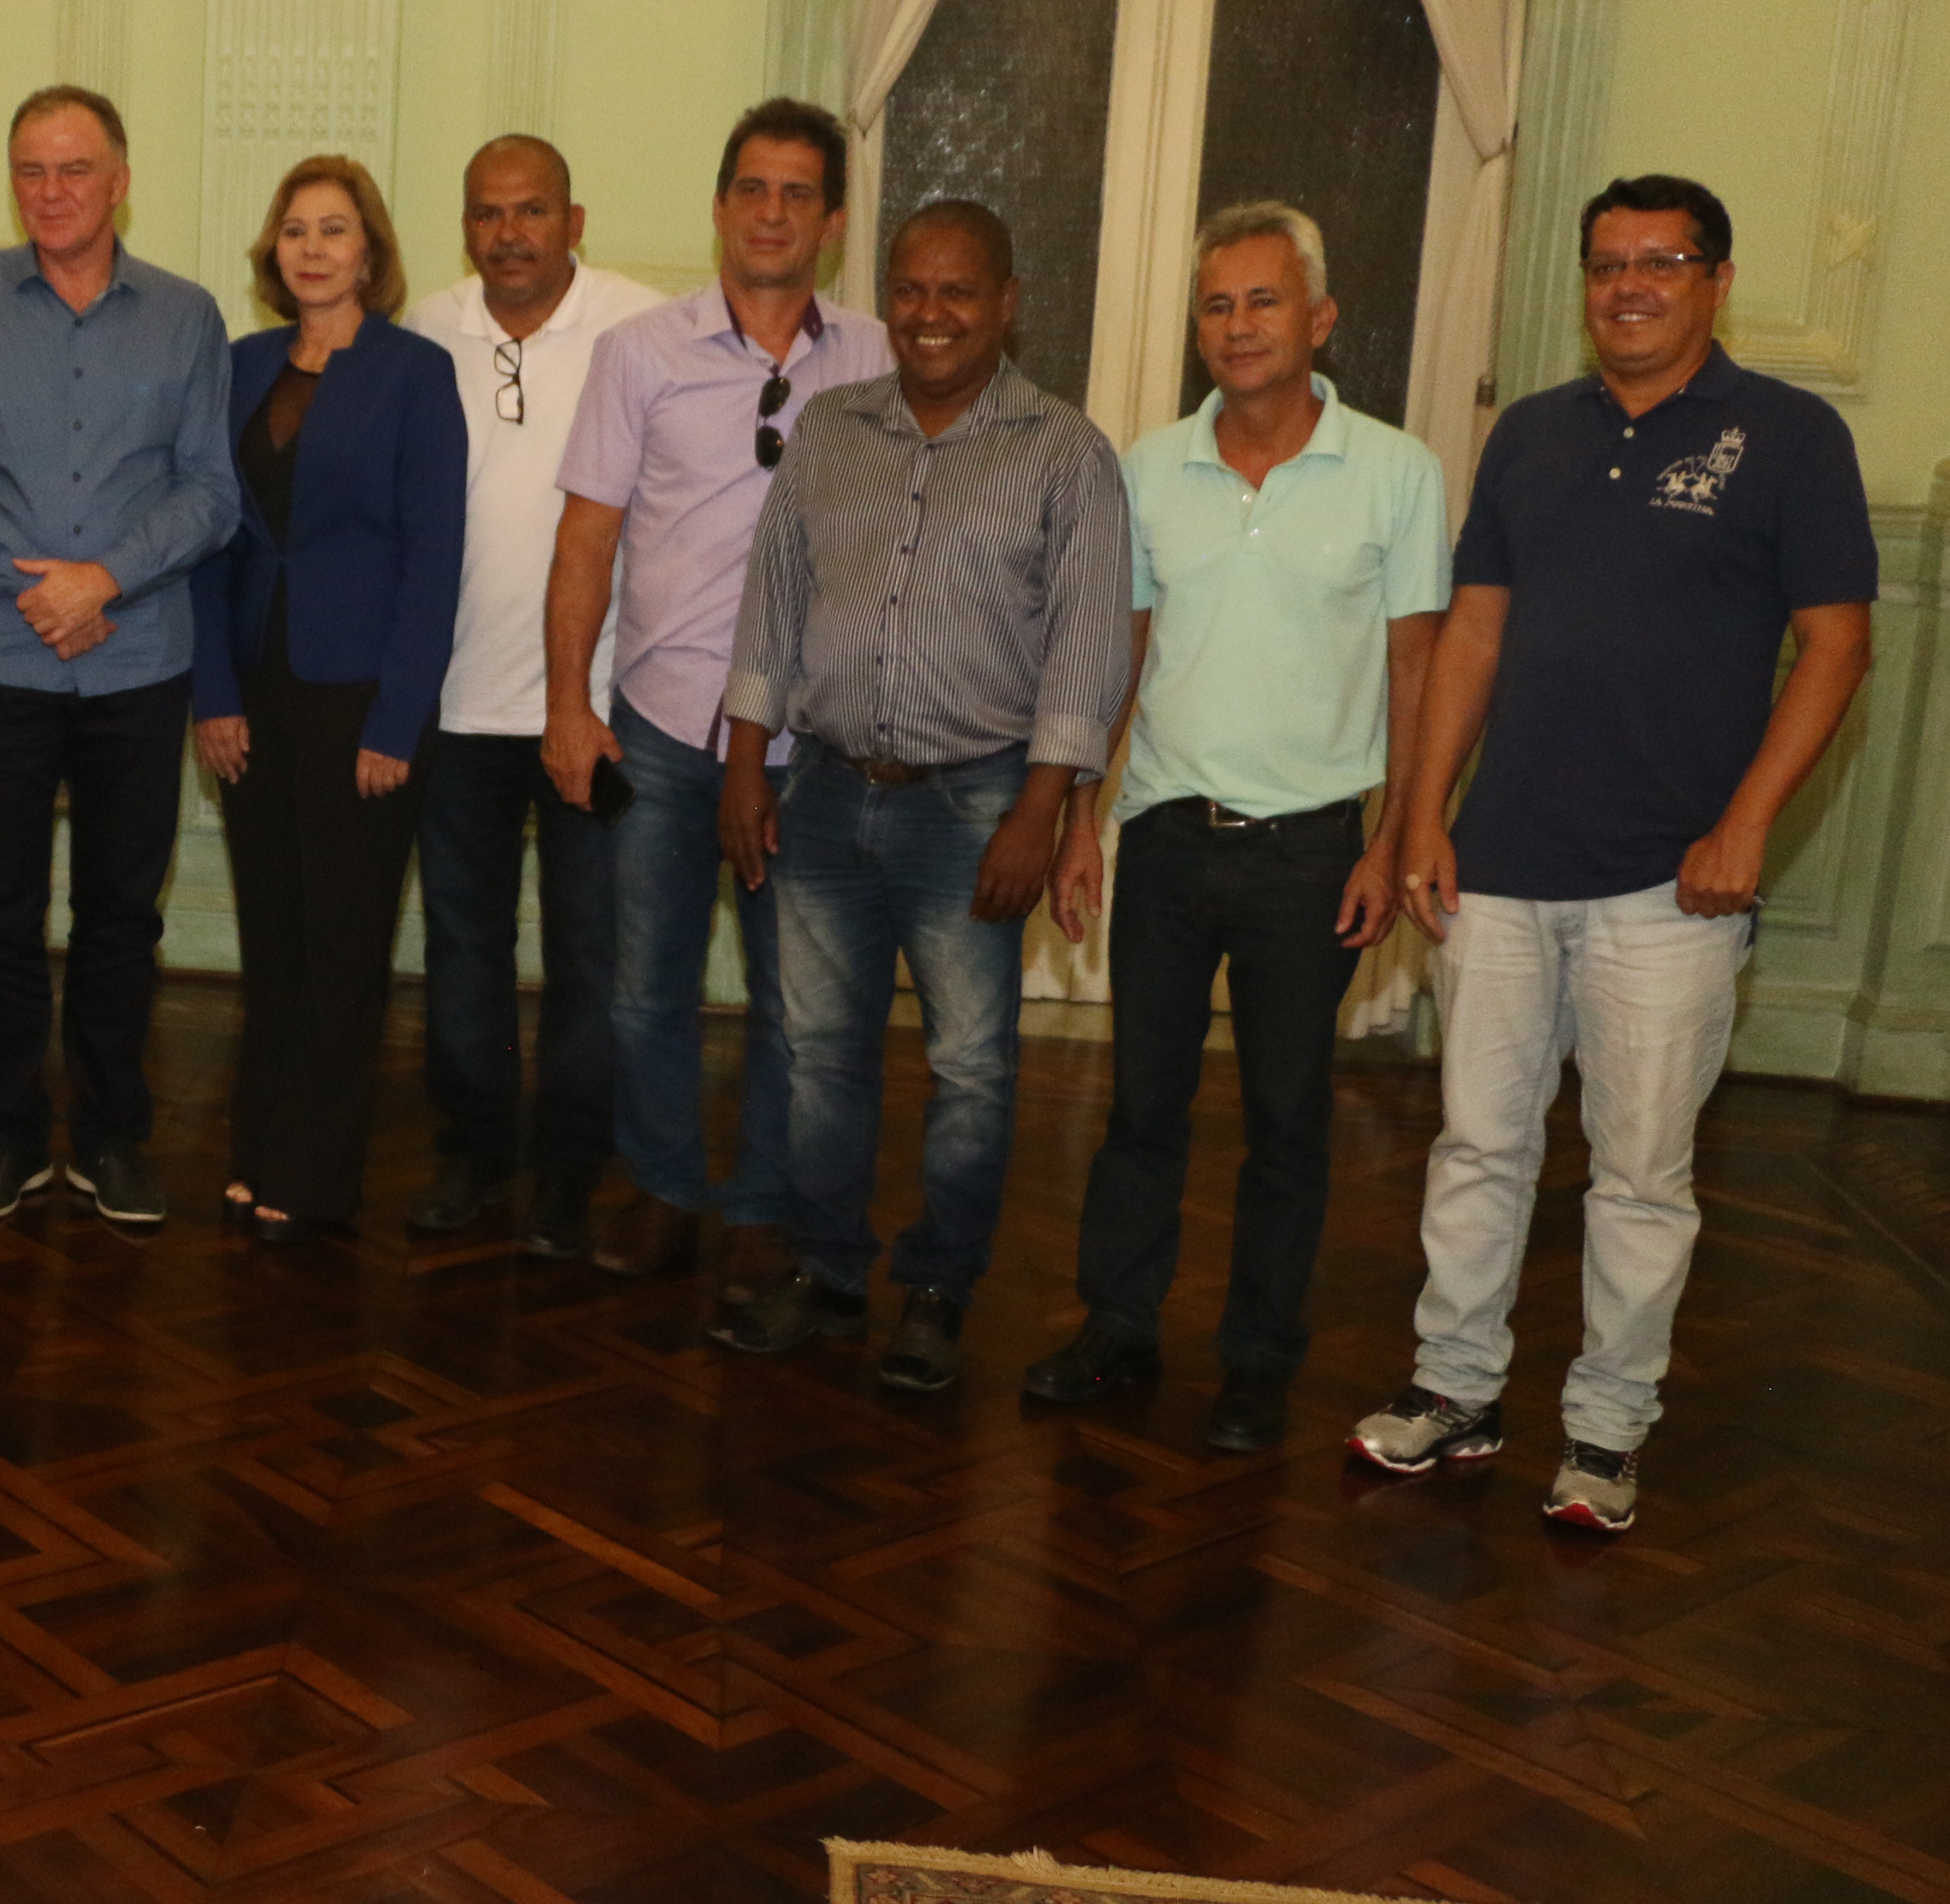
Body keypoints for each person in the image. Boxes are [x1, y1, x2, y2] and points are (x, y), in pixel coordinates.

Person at [1352, 175, 1875, 1535]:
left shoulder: (1791, 437)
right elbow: (1473, 632)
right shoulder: (1531, 434)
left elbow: (1837, 646)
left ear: (1717, 280)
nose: (1628, 287)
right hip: (1498, 868)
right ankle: (1456, 1388)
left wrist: (1746, 824)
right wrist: (1423, 812)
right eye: (1605, 265)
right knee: (1478, 1146)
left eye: (1661, 262)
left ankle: (1606, 1430)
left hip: (1671, 890)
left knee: (1640, 1177)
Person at [1024, 203, 1448, 1454]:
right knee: (1141, 1109)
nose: (1240, 325)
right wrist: (1082, 816)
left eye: (1265, 301)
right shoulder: (1147, 468)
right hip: (1164, 834)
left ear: (1319, 319)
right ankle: (1118, 1327)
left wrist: (1394, 840)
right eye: (1218, 305)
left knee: (1288, 1122)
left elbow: (1419, 673)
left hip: (1314, 854)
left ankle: (1258, 1363)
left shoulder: (1397, 472)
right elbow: (1119, 654)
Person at [713, 199, 1131, 1393]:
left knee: (972, 1069)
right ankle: (828, 1271)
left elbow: (1089, 647)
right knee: (819, 1053)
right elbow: (772, 605)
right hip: (827, 793)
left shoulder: (1066, 453)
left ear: (1007, 303)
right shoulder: (830, 431)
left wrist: (1039, 813)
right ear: (884, 296)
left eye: (958, 291)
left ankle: (940, 1291)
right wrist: (745, 760)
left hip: (977, 807)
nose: (930, 313)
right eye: (910, 289)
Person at [545, 100, 891, 1308]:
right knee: (647, 987)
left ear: (833, 222)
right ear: (719, 206)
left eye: (798, 193)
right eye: (752, 188)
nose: (771, 213)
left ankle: (761, 1210)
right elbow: (586, 538)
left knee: (798, 1001)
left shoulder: (881, 360)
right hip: (662, 726)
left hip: (813, 745)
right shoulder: (640, 352)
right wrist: (568, 707)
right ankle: (663, 1187)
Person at [0, 86, 239, 1228]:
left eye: (75, 169)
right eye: (31, 171)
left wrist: (107, 580)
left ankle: (110, 1138)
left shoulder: (188, 317)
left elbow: (211, 491)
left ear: (121, 181)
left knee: (121, 917)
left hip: (138, 660)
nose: (51, 192)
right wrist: (47, 590)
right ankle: (6, 1137)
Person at [191, 157, 465, 1241]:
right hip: (252, 691)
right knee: (274, 940)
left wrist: (398, 721)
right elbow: (211, 538)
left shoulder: (415, 373)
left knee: (344, 948)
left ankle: (313, 1177)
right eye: (295, 229)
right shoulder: (241, 365)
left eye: (334, 229)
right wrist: (212, 694)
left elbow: (434, 560)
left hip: (362, 702)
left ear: (371, 250)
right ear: (275, 249)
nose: (312, 248)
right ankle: (259, 1149)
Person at [400, 138, 664, 1259]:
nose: (508, 234)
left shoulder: (639, 330)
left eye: (532, 211)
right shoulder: (426, 330)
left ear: (575, 220)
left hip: (591, 709)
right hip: (454, 705)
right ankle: (473, 1150)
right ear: (465, 226)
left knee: (591, 955)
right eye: (487, 213)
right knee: (463, 947)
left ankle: (566, 1168)